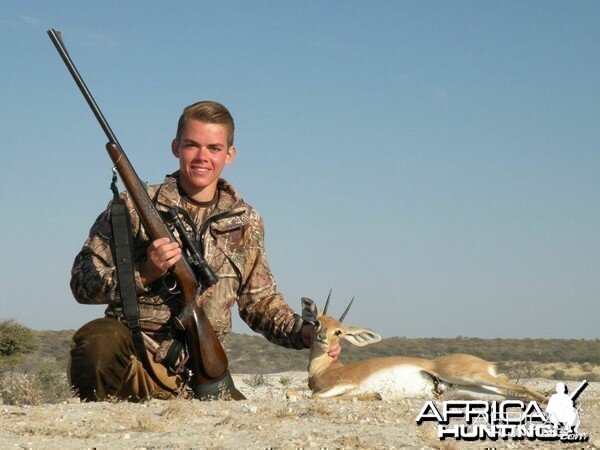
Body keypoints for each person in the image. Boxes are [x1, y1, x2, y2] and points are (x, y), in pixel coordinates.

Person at [69, 101, 340, 401]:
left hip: (201, 376)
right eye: (191, 145)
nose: (202, 157)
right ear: (175, 147)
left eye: (213, 148)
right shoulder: (131, 207)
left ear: (229, 154)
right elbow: (82, 284)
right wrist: (144, 273)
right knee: (98, 340)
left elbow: (260, 303)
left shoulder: (246, 221)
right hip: (135, 364)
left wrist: (305, 333)